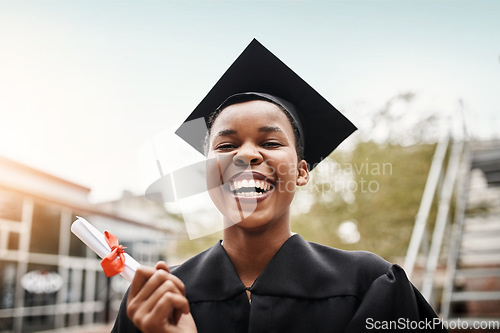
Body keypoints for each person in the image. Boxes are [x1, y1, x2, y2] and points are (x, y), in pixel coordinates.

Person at [112, 39, 447, 332]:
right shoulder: (155, 299)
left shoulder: (371, 285)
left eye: (270, 143)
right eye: (226, 147)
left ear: (302, 172)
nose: (245, 155)